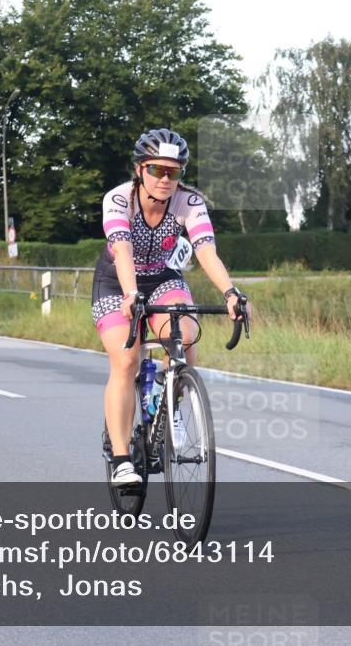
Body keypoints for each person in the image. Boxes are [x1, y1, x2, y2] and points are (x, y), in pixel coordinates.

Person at [92, 129, 250, 486]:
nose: (165, 180)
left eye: (173, 172)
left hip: (164, 277)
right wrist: (131, 294)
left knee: (186, 336)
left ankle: (171, 406)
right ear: (139, 169)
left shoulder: (189, 202)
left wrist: (230, 292)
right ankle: (121, 459)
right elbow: (122, 250)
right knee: (127, 359)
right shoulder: (119, 199)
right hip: (118, 281)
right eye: (157, 170)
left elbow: (205, 250)